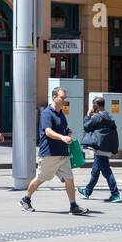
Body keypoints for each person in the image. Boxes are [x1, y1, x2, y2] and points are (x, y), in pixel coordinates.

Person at [20, 87, 89, 215]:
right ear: (54, 97)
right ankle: (26, 199)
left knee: (69, 179)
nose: (64, 100)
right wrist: (62, 137)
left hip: (62, 153)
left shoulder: (61, 114)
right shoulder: (47, 113)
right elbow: (48, 131)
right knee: (41, 178)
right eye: (62, 97)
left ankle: (73, 206)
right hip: (49, 154)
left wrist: (67, 133)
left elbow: (64, 129)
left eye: (64, 98)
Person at [79, 95, 121, 202]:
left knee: (106, 171)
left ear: (96, 106)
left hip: (100, 148)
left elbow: (87, 126)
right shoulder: (108, 116)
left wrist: (88, 115)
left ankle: (115, 194)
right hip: (106, 147)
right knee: (95, 171)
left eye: (93, 105)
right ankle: (87, 191)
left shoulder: (97, 117)